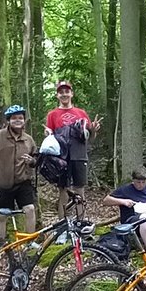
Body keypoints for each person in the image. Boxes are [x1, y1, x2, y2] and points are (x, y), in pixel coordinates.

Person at [45, 81, 101, 233]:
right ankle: (62, 227)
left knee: (79, 189)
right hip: (61, 157)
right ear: (57, 95)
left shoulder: (81, 113)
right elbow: (49, 136)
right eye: (61, 92)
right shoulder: (52, 115)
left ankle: (81, 223)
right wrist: (48, 135)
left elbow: (90, 137)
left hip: (79, 155)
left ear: (71, 94)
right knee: (63, 190)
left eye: (66, 91)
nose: (64, 94)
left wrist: (94, 130)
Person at [0, 105, 37, 239]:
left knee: (30, 209)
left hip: (23, 182)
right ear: (8, 120)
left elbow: (36, 158)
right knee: (2, 215)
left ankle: (30, 243)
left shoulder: (28, 139)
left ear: (24, 120)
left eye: (21, 118)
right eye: (14, 118)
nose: (18, 120)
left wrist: (32, 161)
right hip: (3, 183)